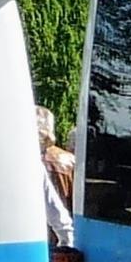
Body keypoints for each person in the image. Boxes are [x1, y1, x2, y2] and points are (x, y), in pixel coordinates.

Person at [34, 105, 75, 247]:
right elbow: (57, 214)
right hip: (48, 242)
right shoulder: (71, 161)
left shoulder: (30, 166)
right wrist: (67, 244)